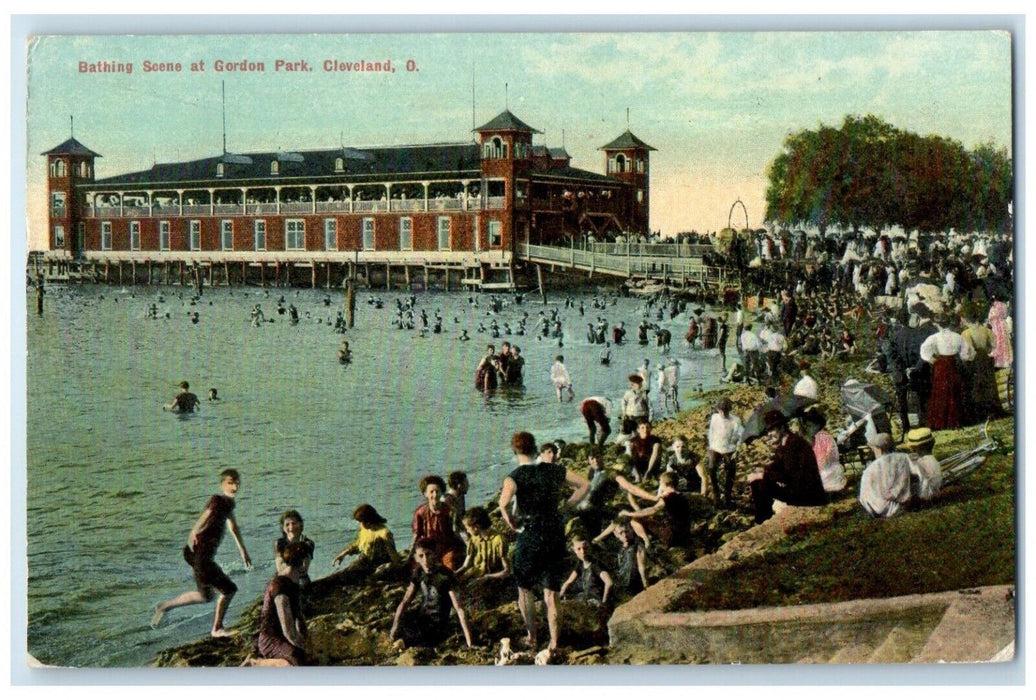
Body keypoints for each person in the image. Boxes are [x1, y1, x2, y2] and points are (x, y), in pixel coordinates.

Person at [498, 431, 590, 654]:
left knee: (525, 589)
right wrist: (567, 506)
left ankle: (532, 637)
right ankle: (554, 642)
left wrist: (511, 522)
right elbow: (585, 485)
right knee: (552, 592)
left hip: (530, 534)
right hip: (554, 531)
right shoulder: (553, 470)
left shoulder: (514, 477)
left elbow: (503, 504)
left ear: (515, 452)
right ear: (536, 448)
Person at [152, 469, 253, 636]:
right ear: (223, 485)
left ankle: (165, 606)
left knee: (206, 595)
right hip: (200, 554)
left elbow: (233, 526)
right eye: (230, 483)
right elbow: (205, 516)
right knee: (228, 589)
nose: (235, 486)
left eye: (237, 483)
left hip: (200, 555)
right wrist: (194, 531)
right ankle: (217, 629)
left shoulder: (229, 503)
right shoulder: (217, 500)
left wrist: (243, 551)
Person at [389, 538, 474, 649]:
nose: (425, 560)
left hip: (437, 623)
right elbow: (405, 602)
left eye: (428, 554)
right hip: (422, 617)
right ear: (416, 557)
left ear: (435, 554)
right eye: (421, 556)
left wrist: (470, 642)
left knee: (405, 641)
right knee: (399, 623)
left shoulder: (446, 576)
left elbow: (459, 608)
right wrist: (394, 627)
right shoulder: (418, 572)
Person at [747, 411, 828, 524]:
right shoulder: (786, 443)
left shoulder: (793, 444)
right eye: (768, 431)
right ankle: (763, 518)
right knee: (758, 482)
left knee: (762, 484)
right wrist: (763, 472)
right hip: (800, 489)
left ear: (781, 428)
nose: (769, 434)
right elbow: (777, 466)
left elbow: (788, 474)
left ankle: (763, 520)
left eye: (771, 430)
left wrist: (763, 475)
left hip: (807, 494)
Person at [243, 541, 309, 666]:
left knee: (303, 657)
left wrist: (304, 638)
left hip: (282, 636)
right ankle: (255, 663)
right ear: (303, 562)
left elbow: (298, 615)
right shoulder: (280, 586)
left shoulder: (294, 581)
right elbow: (288, 630)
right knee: (296, 662)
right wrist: (300, 646)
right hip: (270, 638)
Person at [920, 316, 974, 430]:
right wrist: (965, 359)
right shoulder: (958, 337)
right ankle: (955, 421)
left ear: (938, 325)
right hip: (953, 364)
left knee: (941, 392)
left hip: (940, 365)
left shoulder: (934, 337)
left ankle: (941, 422)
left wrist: (931, 359)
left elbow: (924, 350)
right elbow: (966, 354)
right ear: (949, 324)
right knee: (954, 391)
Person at [614, 471, 691, 548]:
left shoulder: (667, 498)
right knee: (651, 520)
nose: (660, 485)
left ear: (666, 484)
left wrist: (628, 514)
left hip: (672, 535)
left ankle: (646, 543)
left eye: (661, 483)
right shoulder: (682, 496)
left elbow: (652, 510)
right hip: (684, 533)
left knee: (635, 520)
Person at [408, 475, 466, 571]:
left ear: (441, 493)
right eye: (431, 492)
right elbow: (416, 536)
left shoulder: (450, 511)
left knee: (450, 565)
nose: (435, 495)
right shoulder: (420, 512)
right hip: (428, 550)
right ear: (425, 494)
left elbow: (459, 532)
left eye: (437, 491)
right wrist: (410, 556)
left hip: (447, 548)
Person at [330, 504, 400, 579]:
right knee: (342, 575)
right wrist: (343, 554)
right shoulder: (364, 530)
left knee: (375, 576)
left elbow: (392, 553)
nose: (359, 524)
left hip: (379, 563)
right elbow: (358, 544)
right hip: (365, 561)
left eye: (360, 522)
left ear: (369, 522)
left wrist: (396, 567)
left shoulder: (384, 533)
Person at [858, 433, 914, 518]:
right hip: (906, 502)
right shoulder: (905, 457)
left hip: (883, 508)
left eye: (874, 449)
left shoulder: (872, 468)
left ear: (879, 449)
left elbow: (865, 496)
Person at [593, 518, 648, 596]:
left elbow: (641, 566)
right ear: (616, 534)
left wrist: (645, 585)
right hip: (621, 585)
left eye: (627, 531)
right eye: (621, 533)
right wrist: (597, 539)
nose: (625, 535)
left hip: (634, 585)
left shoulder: (637, 544)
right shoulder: (618, 548)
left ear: (631, 530)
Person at [705, 398, 743, 507]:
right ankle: (716, 495)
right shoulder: (714, 417)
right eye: (720, 410)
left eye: (725, 411)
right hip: (715, 447)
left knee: (730, 471)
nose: (722, 413)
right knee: (711, 469)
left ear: (729, 410)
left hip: (729, 448)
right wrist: (710, 445)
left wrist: (737, 449)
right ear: (718, 410)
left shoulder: (735, 420)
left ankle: (727, 496)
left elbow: (740, 436)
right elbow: (711, 432)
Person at [454, 506, 509, 581]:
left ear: (476, 527)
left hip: (494, 577)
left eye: (467, 528)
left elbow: (507, 571)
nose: (467, 531)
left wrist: (488, 577)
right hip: (478, 575)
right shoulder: (473, 539)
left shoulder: (498, 540)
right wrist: (455, 574)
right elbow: (465, 565)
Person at [800, 407, 846, 494]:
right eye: (807, 426)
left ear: (817, 425)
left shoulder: (824, 437)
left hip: (828, 468)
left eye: (810, 426)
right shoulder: (811, 438)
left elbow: (829, 456)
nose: (808, 429)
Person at [559, 535, 613, 606]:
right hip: (585, 598)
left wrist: (604, 602)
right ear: (574, 550)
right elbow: (568, 582)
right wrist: (561, 593)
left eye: (585, 548)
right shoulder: (580, 565)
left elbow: (609, 582)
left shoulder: (595, 565)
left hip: (594, 601)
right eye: (579, 549)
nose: (583, 551)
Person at [274, 510, 314, 589]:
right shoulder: (279, 543)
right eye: (287, 525)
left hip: (301, 580)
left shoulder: (308, 543)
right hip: (284, 579)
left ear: (300, 524)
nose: (291, 527)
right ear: (283, 528)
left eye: (294, 523)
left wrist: (289, 565)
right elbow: (279, 568)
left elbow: (304, 568)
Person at [901, 427, 943, 502]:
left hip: (924, 493)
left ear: (913, 448)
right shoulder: (930, 459)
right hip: (930, 490)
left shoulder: (922, 463)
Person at [443, 471, 469, 542]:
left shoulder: (460, 496)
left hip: (460, 531)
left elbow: (462, 517)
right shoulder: (446, 501)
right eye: (466, 483)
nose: (468, 485)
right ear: (459, 485)